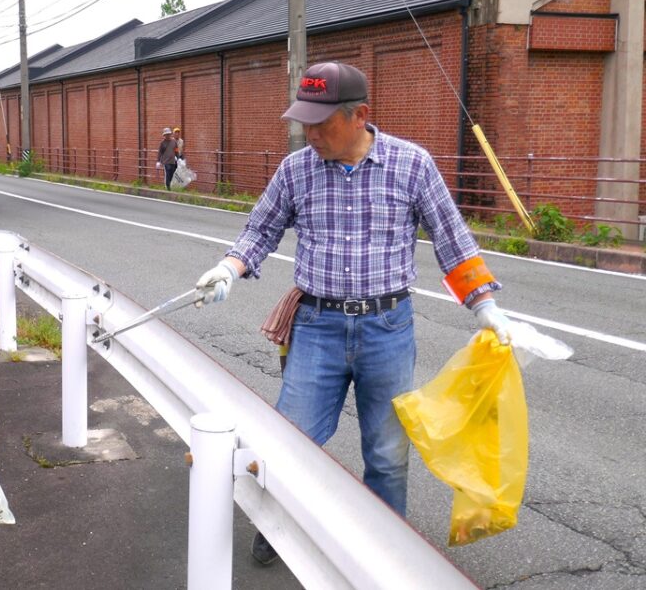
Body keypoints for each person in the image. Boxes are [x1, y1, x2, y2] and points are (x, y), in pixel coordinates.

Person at [193, 62, 515, 566]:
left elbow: (452, 239)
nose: (310, 135)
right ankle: (277, 524)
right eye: (304, 123)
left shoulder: (411, 165)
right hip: (316, 325)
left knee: (387, 454)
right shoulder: (296, 169)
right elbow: (261, 230)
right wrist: (229, 268)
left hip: (387, 327)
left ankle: (385, 551)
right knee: (290, 438)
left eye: (321, 124)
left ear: (359, 115)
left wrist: (485, 305)